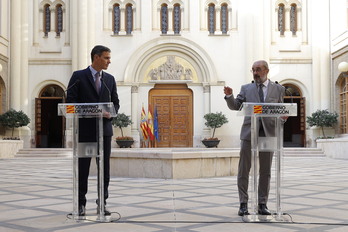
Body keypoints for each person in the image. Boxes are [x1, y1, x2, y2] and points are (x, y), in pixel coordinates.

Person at [224, 60, 285, 216]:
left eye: (258, 70)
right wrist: (229, 96)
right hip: (248, 133)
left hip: (268, 133)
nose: (255, 73)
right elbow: (236, 106)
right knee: (244, 169)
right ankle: (243, 203)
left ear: (266, 70)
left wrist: (283, 118)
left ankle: (262, 204)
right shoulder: (246, 88)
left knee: (265, 171)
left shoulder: (279, 89)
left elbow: (282, 109)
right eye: (253, 70)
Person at [67, 45, 120, 216]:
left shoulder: (109, 79)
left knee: (104, 170)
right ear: (96, 57)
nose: (109, 61)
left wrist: (109, 114)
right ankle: (81, 204)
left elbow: (116, 104)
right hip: (86, 133)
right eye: (106, 58)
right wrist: (93, 111)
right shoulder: (78, 77)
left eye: (109, 58)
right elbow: (70, 105)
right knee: (83, 169)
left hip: (104, 132)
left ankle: (102, 204)